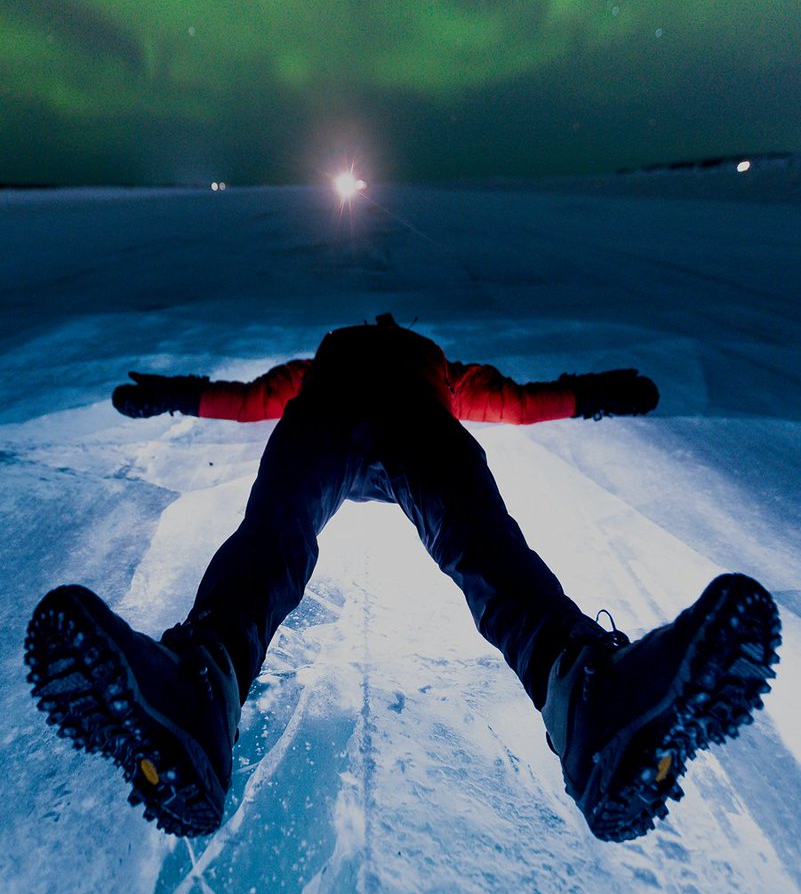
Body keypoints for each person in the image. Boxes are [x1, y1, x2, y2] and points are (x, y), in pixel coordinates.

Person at [25, 315, 780, 843]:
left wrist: (596, 394)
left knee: (282, 538)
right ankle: (583, 690)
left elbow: (253, 400)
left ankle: (204, 683)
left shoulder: (339, 363)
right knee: (478, 545)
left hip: (337, 423)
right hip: (406, 422)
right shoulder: (433, 365)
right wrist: (595, 392)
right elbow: (515, 403)